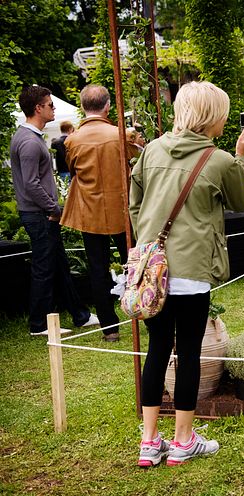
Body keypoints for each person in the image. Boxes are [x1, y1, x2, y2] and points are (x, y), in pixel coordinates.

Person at [130, 81, 244, 467]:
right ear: (212, 116)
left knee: (155, 352)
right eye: (221, 112)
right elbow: (241, 203)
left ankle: (150, 442)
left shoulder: (151, 150)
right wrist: (240, 155)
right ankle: (183, 441)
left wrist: (150, 244)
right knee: (188, 354)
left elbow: (136, 204)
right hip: (191, 272)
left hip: (154, 272)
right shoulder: (218, 160)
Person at [9, 85, 98, 336]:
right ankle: (39, 325)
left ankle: (79, 315)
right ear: (38, 108)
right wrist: (54, 208)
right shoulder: (28, 141)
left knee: (58, 264)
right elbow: (30, 183)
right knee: (44, 268)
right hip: (39, 215)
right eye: (50, 105)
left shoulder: (29, 137)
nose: (54, 108)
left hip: (40, 213)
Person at [62, 84, 135, 342]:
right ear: (107, 106)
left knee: (97, 269)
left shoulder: (71, 140)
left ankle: (110, 328)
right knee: (135, 263)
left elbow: (73, 171)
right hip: (123, 209)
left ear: (83, 107)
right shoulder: (121, 134)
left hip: (90, 212)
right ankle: (147, 315)